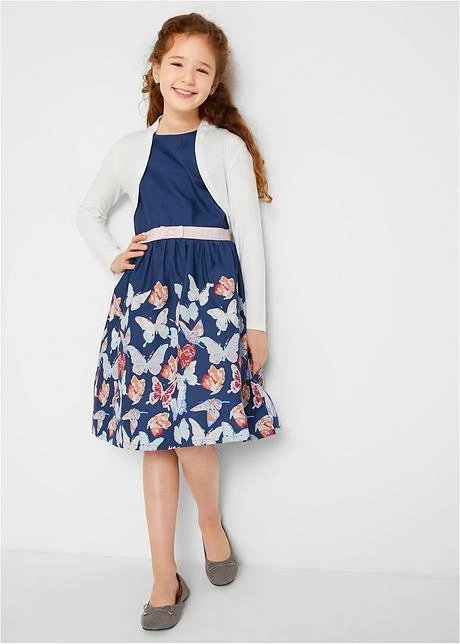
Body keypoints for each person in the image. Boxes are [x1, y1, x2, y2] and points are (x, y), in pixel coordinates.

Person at [76, 11, 282, 630]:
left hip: (211, 298)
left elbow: (250, 240)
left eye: (202, 70)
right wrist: (113, 255)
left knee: (193, 432)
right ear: (156, 69)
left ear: (215, 83)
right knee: (155, 438)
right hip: (145, 301)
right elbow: (87, 213)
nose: (187, 77)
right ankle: (164, 575)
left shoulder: (225, 148)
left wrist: (256, 324)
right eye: (177, 64)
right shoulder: (128, 149)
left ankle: (210, 523)